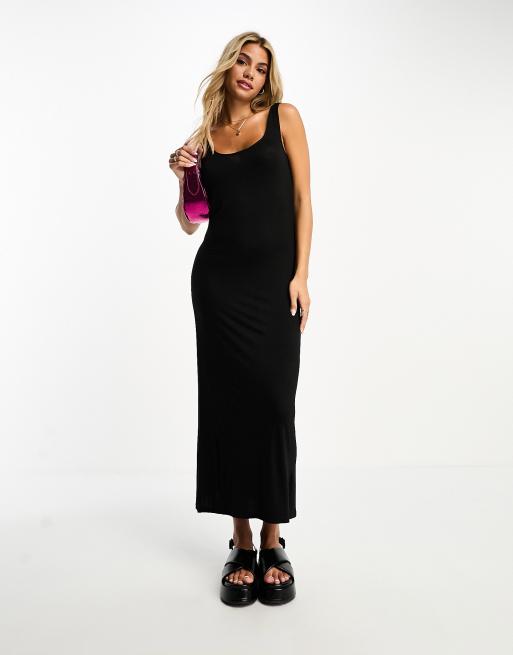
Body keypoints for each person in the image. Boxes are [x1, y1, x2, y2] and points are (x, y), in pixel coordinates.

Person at [169, 31, 313, 606]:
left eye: (261, 66)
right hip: (219, 288)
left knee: (274, 404)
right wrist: (181, 177)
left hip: (275, 286)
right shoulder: (202, 139)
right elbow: (191, 221)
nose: (251, 72)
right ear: (228, 67)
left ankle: (274, 539)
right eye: (243, 62)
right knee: (228, 407)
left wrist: (301, 275)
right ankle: (242, 542)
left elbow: (303, 201)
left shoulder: (285, 119)